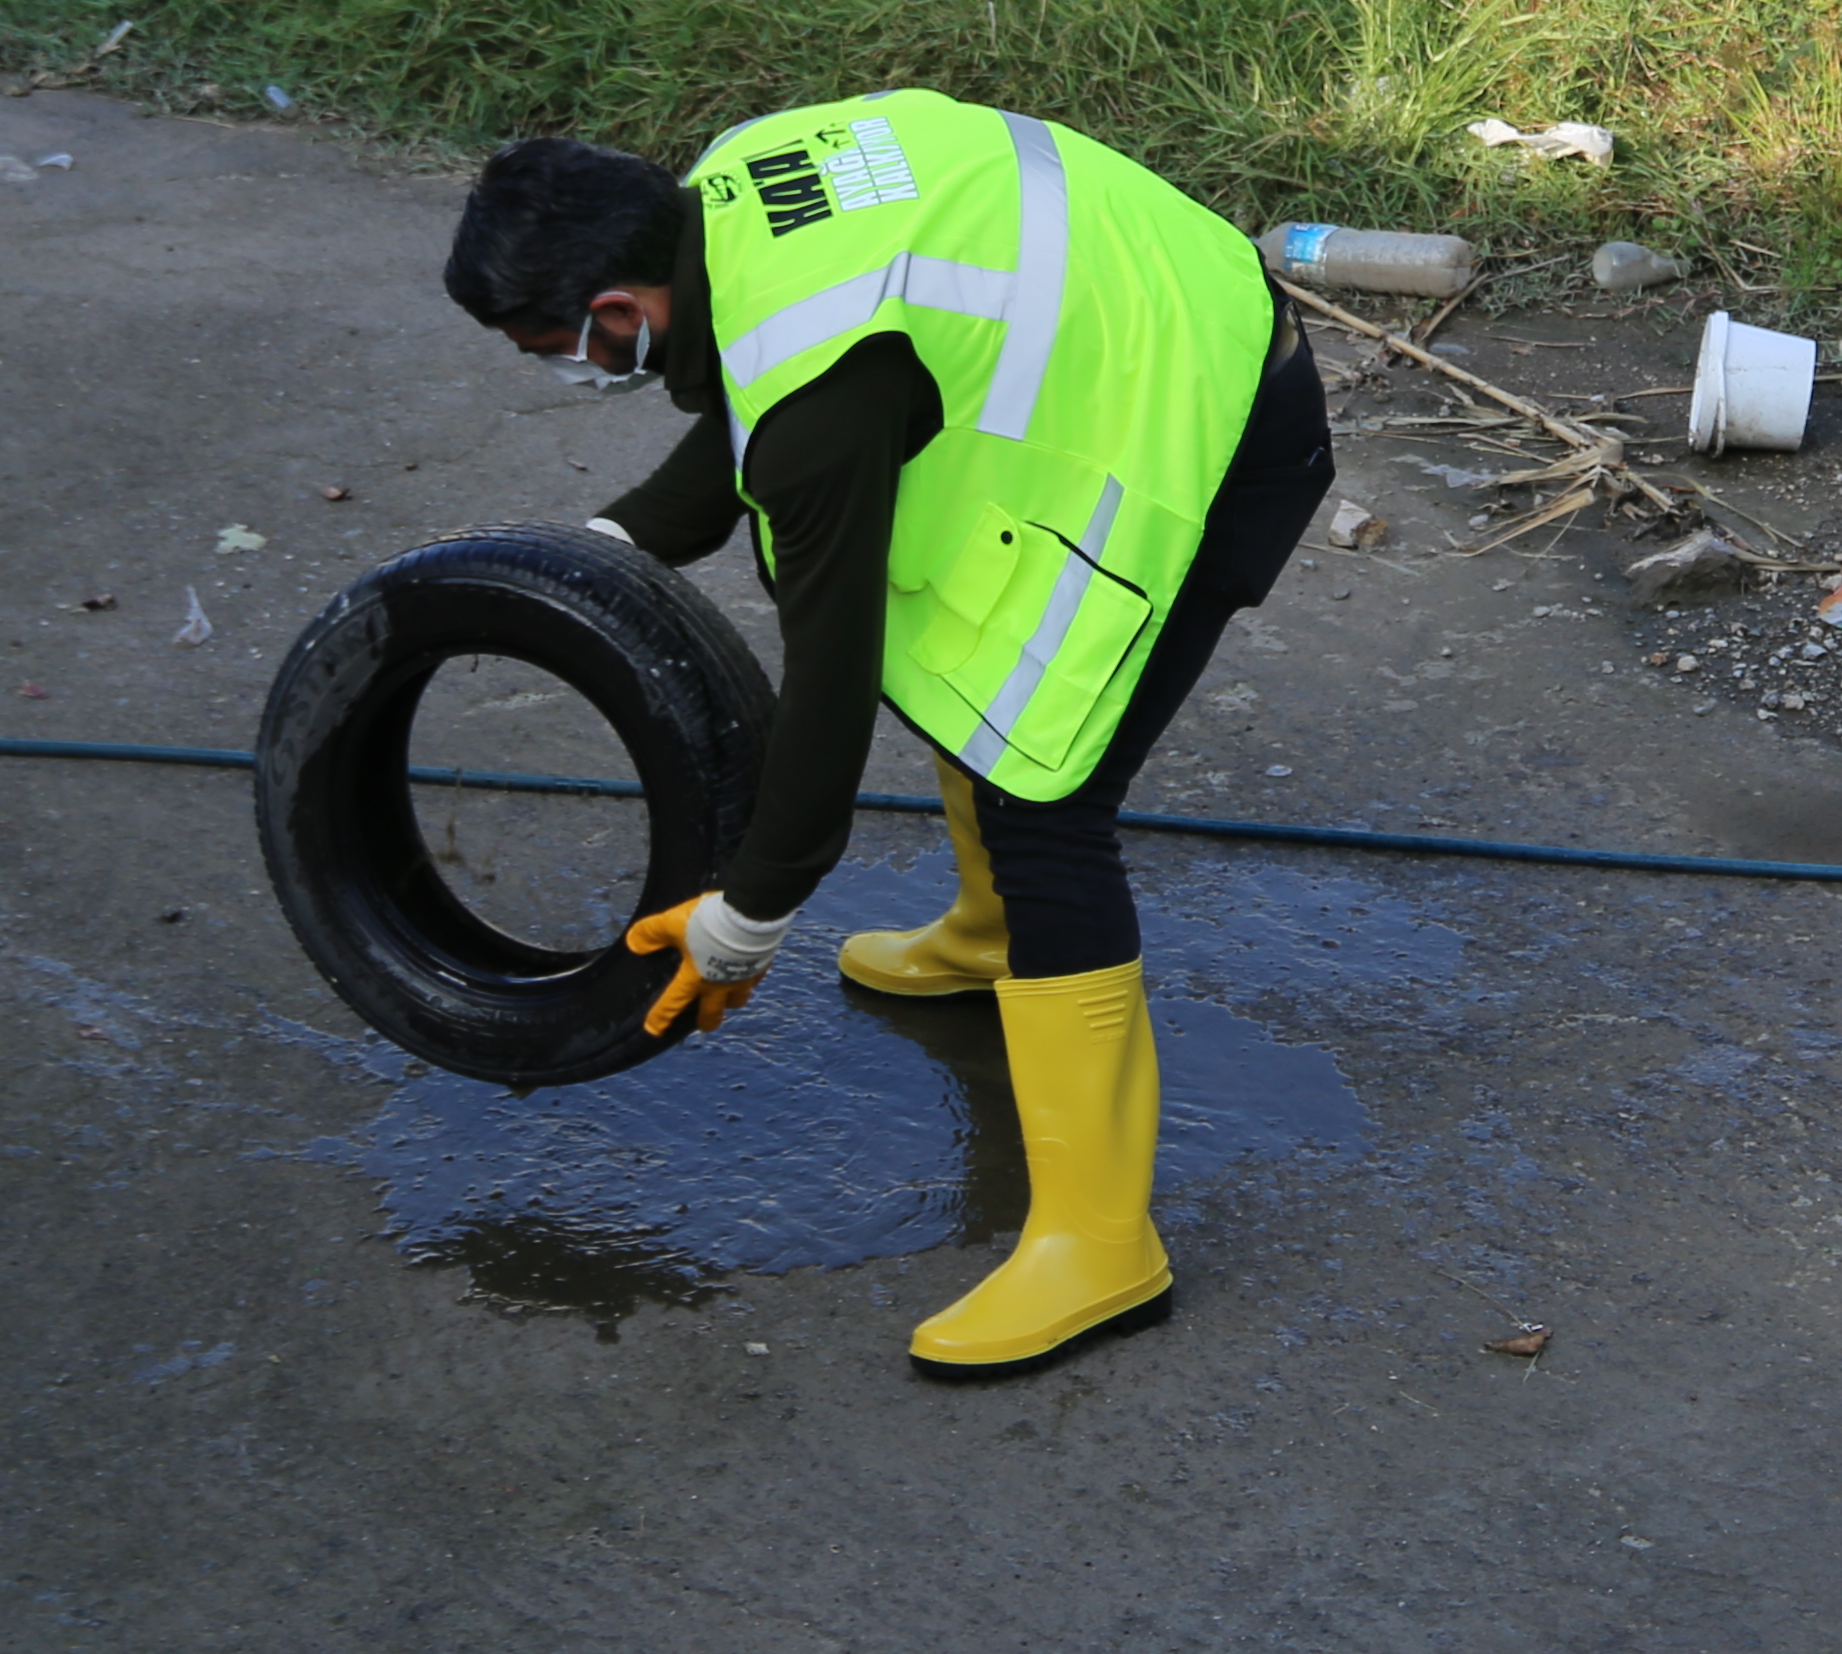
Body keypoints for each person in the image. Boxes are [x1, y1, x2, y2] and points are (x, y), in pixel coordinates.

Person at [442, 93, 1334, 1374]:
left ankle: (1101, 1243)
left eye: (556, 349)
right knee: (972, 652)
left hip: (1209, 433)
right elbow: (760, 401)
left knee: (1050, 804)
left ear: (617, 313)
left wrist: (749, 914)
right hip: (1162, 321)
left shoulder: (815, 405)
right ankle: (985, 942)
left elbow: (829, 671)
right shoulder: (734, 190)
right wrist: (608, 553)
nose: (569, 369)